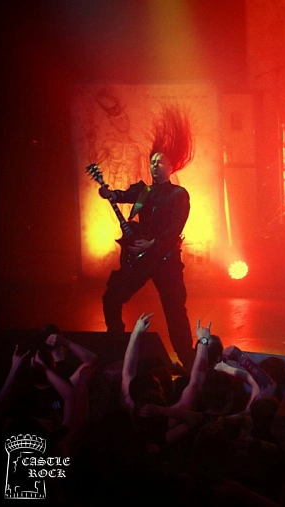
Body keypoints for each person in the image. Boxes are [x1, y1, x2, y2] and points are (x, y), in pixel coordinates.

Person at [96, 103, 197, 369]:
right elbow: (122, 195)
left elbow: (175, 228)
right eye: (152, 161)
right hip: (141, 259)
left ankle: (189, 363)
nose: (154, 165)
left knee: (175, 311)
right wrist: (110, 194)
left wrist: (153, 243)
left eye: (159, 162)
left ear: (171, 166)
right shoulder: (144, 191)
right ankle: (116, 347)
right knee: (112, 297)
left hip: (165, 260)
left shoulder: (179, 194)